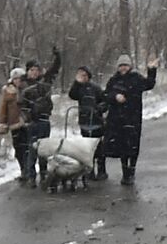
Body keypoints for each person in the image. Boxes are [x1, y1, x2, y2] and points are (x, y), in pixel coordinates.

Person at [104, 54, 159, 185]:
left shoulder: (136, 78)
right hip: (117, 119)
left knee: (133, 146)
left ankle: (132, 171)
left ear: (130, 66)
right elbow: (106, 94)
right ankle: (125, 173)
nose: (123, 68)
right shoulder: (113, 80)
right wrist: (115, 96)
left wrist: (152, 70)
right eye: (121, 66)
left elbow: (149, 84)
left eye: (125, 65)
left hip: (133, 117)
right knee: (122, 146)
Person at [20, 51, 59, 188]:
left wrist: (57, 57)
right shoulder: (24, 86)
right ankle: (31, 176)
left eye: (37, 70)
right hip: (33, 122)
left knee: (44, 149)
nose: (34, 73)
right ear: (28, 71)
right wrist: (28, 118)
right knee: (32, 149)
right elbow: (21, 105)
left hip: (44, 120)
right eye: (32, 70)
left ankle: (43, 174)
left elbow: (54, 70)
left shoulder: (44, 82)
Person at [68, 66, 108, 180]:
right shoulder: (78, 88)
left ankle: (102, 170)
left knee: (99, 148)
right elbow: (72, 95)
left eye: (84, 75)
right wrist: (76, 83)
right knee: (87, 148)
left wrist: (99, 109)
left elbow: (105, 102)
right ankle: (90, 170)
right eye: (80, 75)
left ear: (88, 76)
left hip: (97, 122)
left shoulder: (96, 88)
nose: (82, 77)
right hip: (84, 121)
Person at [0, 67, 29, 182]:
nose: (17, 81)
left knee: (28, 147)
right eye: (15, 79)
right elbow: (4, 108)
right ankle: (23, 170)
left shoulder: (28, 89)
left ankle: (28, 170)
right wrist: (2, 122)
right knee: (18, 148)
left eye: (19, 79)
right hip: (14, 124)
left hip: (27, 123)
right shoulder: (8, 91)